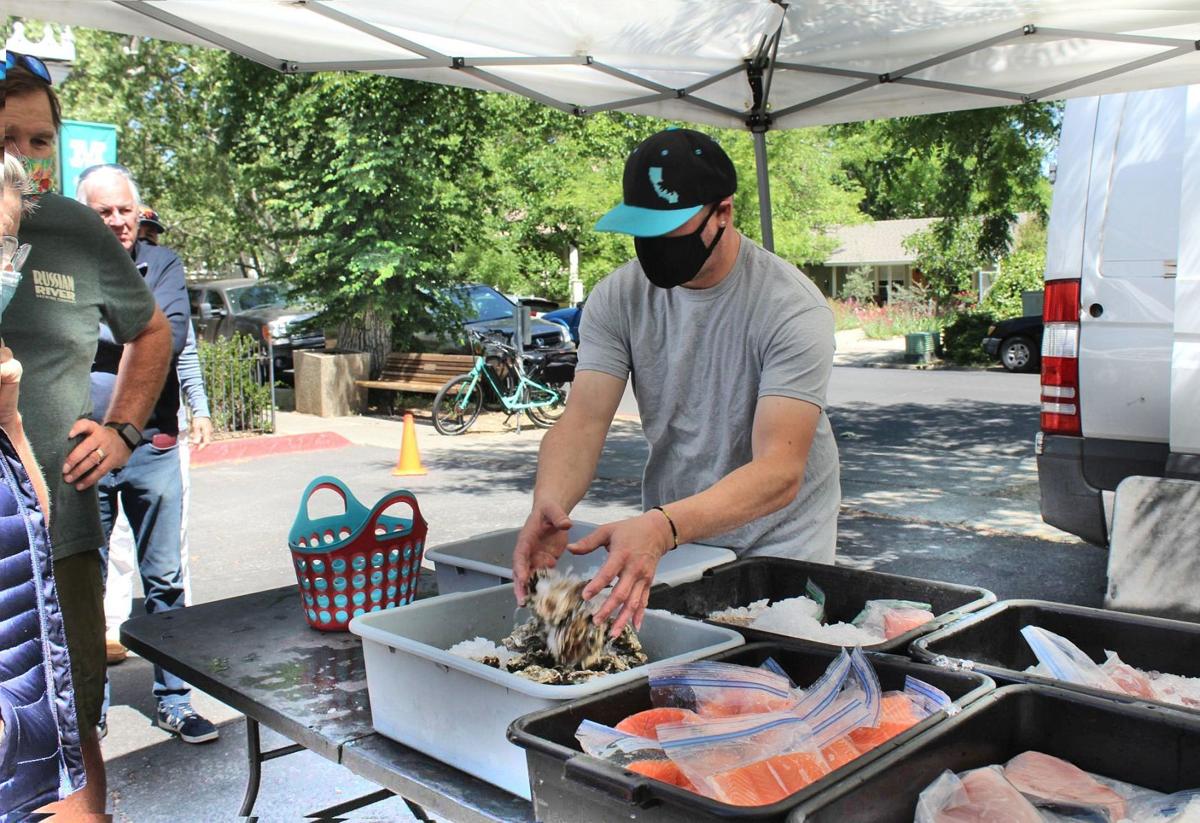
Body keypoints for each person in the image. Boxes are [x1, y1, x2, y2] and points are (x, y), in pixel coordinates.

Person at [512, 128, 840, 635]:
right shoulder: (618, 297)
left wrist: (663, 527)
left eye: (673, 231)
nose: (657, 248)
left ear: (723, 212)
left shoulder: (791, 308)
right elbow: (582, 421)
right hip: (675, 539)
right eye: (644, 231)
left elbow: (779, 470)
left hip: (781, 548)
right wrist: (549, 504)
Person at [4, 56, 174, 815]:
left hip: (63, 531)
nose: (26, 159)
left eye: (41, 141)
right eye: (8, 138)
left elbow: (153, 330)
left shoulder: (74, 229)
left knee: (70, 722)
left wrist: (122, 429)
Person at [77, 165, 219, 744]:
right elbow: (71, 340)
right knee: (82, 583)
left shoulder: (162, 264)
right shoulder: (65, 267)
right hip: (84, 447)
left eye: (124, 210)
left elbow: (174, 336)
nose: (117, 221)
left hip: (153, 446)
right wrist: (138, 332)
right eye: (103, 212)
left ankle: (174, 700)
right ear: (87, 217)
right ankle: (90, 706)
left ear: (140, 212)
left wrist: (105, 329)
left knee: (165, 580)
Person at [0, 151, 88, 815]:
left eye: (9, 246)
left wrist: (11, 421)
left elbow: (36, 513)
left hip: (19, 717)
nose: (7, 268)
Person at [105, 321, 212, 664]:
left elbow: (186, 350)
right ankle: (111, 627)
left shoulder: (164, 281)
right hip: (106, 428)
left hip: (161, 435)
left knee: (170, 551)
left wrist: (200, 408)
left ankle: (179, 631)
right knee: (114, 542)